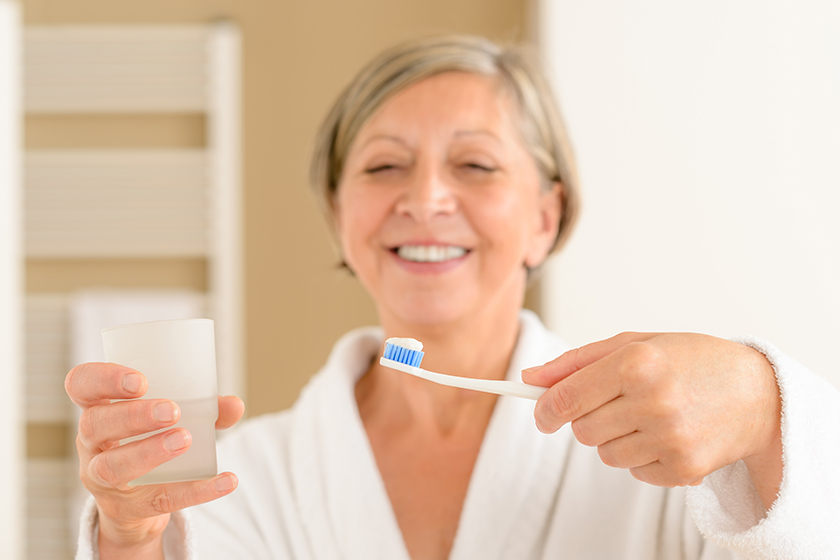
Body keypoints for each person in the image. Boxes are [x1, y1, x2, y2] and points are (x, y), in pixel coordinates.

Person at [67, 35, 839, 560]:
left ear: (546, 217)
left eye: (475, 166)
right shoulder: (238, 480)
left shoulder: (666, 450)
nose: (427, 199)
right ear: (339, 217)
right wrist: (129, 541)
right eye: (382, 168)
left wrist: (764, 405)